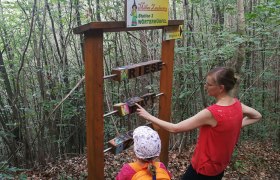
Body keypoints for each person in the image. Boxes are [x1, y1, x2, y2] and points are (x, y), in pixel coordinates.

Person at [136, 67, 262, 180]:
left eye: (209, 84)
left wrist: (149, 116)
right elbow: (257, 116)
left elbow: (175, 128)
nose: (205, 86)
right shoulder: (237, 105)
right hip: (219, 168)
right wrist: (233, 126)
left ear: (221, 88)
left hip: (202, 170)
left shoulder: (212, 113)